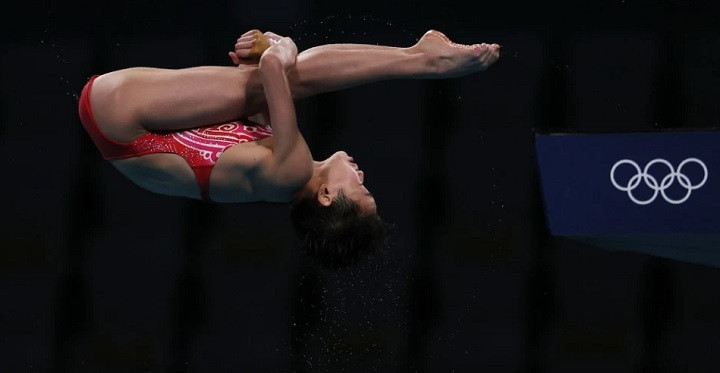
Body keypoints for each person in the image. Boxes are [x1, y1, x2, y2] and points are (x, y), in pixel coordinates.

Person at [77, 29, 501, 268]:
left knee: (291, 77)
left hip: (122, 116)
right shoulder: (279, 177)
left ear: (327, 195)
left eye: (361, 190)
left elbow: (274, 67)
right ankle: (420, 58)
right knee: (267, 87)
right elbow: (248, 109)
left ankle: (425, 61)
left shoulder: (294, 169)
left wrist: (280, 45)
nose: (362, 176)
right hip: (121, 129)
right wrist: (252, 68)